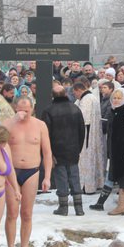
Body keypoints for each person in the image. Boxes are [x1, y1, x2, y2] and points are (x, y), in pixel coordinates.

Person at [3, 97, 52, 247]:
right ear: (15, 109)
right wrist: (13, 120)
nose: (23, 113)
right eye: (20, 110)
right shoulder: (8, 123)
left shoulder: (40, 125)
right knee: (11, 213)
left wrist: (47, 177)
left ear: (32, 109)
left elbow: (47, 152)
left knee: (27, 214)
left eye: (27, 110)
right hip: (12, 171)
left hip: (32, 170)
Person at [41, 84, 86, 216]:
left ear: (52, 96)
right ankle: (79, 208)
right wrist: (78, 148)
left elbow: (45, 134)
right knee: (74, 176)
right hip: (73, 149)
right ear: (65, 94)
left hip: (56, 150)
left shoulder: (48, 111)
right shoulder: (75, 108)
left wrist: (49, 153)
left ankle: (63, 207)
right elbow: (82, 130)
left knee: (61, 177)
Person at [73, 82, 105, 195]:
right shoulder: (93, 97)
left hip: (87, 136)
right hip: (94, 135)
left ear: (78, 90)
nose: (75, 95)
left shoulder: (86, 100)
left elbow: (83, 119)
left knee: (86, 161)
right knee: (94, 159)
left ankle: (86, 186)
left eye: (74, 93)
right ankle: (96, 183)